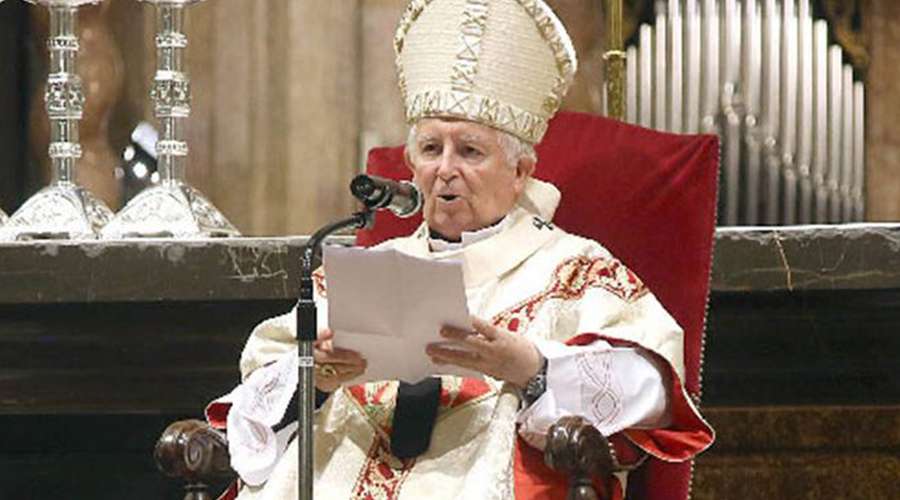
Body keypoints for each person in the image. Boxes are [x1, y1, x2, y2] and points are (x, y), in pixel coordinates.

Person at [206, 1, 713, 499]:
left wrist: (532, 368)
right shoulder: (362, 274)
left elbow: (651, 393)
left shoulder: (575, 272)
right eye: (431, 149)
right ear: (411, 164)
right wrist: (313, 379)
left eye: (469, 151)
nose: (445, 170)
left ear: (520, 172)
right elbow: (254, 409)